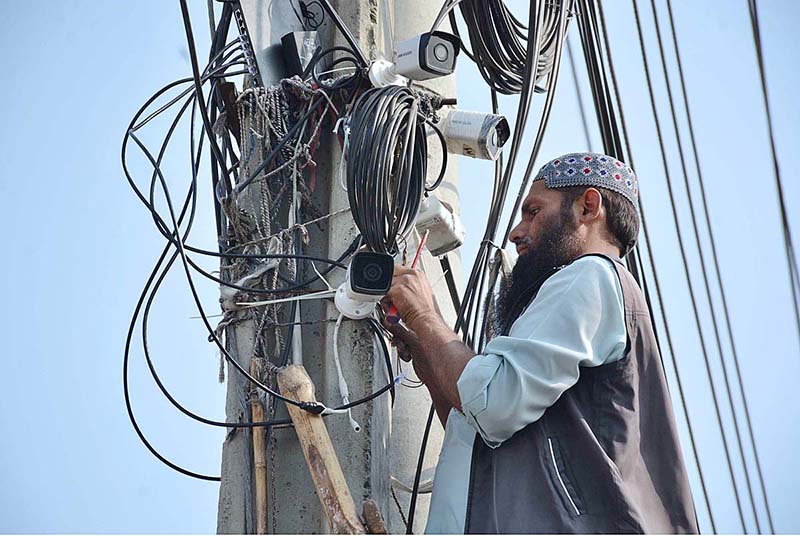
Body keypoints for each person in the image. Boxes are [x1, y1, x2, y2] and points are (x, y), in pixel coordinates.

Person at [384, 152, 699, 534]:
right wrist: (426, 348)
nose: (517, 232)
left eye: (533, 211)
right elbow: (477, 429)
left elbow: (494, 401)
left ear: (588, 207)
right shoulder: (586, 300)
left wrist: (425, 317)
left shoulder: (591, 275)